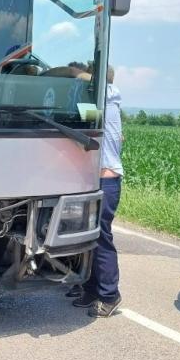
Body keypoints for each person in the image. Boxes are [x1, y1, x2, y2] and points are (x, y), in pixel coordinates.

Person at [71, 65, 123, 317]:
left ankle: (110, 295)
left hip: (107, 181)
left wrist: (69, 77)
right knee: (88, 239)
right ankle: (91, 288)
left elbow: (78, 111)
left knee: (101, 238)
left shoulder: (104, 102)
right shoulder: (104, 102)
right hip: (97, 179)